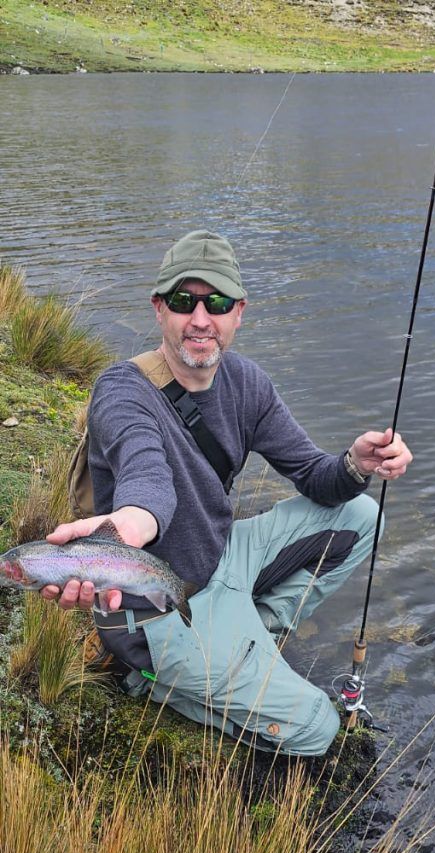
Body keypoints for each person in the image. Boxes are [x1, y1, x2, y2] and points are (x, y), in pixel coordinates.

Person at [42, 230, 413, 756]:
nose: (200, 319)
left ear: (238, 312)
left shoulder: (247, 383)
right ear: (159, 309)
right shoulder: (121, 391)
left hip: (223, 560)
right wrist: (130, 523)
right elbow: (148, 476)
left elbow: (314, 476)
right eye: (182, 301)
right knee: (316, 729)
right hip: (155, 612)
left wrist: (357, 462)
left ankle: (254, 633)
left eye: (216, 302)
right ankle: (151, 680)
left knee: (362, 514)